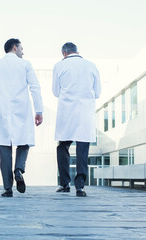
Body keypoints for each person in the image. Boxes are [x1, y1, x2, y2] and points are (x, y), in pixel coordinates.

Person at [0, 38, 44, 197]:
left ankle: (8, 188)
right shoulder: (25, 64)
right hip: (21, 109)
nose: (23, 52)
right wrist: (39, 110)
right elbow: (35, 87)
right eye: (22, 49)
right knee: (25, 141)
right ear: (15, 48)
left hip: (0, 111)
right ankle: (19, 168)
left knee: (4, 149)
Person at [53, 42, 101, 197]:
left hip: (67, 113)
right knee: (82, 150)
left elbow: (55, 91)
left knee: (63, 147)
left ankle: (64, 184)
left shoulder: (59, 66)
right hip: (85, 114)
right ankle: (80, 187)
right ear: (77, 51)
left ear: (64, 53)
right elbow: (98, 92)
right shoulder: (91, 65)